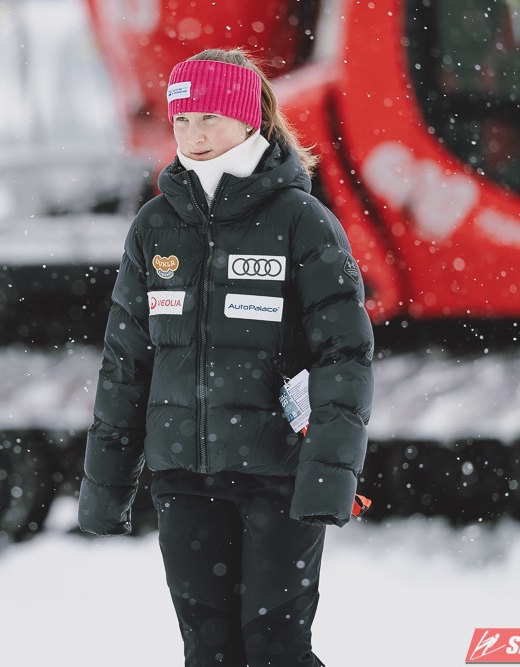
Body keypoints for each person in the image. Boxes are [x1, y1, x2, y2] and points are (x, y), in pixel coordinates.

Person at [78, 47, 375, 667]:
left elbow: (344, 355)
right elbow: (126, 364)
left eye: (209, 117)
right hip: (183, 480)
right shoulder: (154, 227)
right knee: (208, 652)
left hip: (278, 476)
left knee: (276, 649)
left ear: (248, 119)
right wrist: (107, 485)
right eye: (182, 120)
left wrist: (329, 473)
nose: (194, 134)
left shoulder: (302, 221)